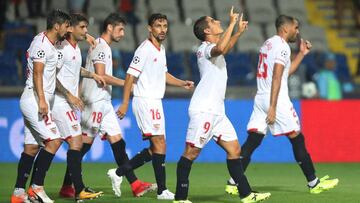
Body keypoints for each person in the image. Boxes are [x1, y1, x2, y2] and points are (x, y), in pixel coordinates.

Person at [225, 15, 339, 196]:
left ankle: (233, 182)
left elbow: (283, 73)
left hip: (261, 96)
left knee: (254, 139)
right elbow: (277, 77)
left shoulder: (268, 44)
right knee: (296, 137)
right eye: (296, 27)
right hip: (275, 100)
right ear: (286, 28)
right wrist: (273, 106)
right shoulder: (283, 47)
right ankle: (313, 183)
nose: (298, 31)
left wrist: (301, 54)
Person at [173, 8, 271, 203]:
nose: (218, 21)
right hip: (204, 110)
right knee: (191, 153)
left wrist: (237, 33)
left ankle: (246, 194)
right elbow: (221, 49)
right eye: (213, 21)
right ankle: (180, 198)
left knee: (234, 150)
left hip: (217, 112)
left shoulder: (214, 48)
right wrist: (232, 23)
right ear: (207, 31)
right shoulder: (204, 48)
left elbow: (224, 47)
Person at [108, 13, 194, 200]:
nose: (162, 29)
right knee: (160, 144)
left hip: (155, 101)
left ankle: (119, 173)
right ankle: (162, 190)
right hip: (145, 100)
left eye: (164, 25)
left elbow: (164, 74)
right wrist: (124, 103)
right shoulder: (144, 49)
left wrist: (182, 83)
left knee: (158, 147)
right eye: (158, 26)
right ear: (149, 28)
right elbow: (130, 76)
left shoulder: (160, 49)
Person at [80, 12, 156, 198]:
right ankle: (68, 185)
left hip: (104, 102)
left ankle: (136, 184)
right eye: (120, 29)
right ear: (109, 28)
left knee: (119, 143)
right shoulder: (100, 47)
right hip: (94, 101)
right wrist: (127, 83)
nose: (123, 33)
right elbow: (101, 77)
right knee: (82, 146)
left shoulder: (102, 46)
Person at [11, 9, 70, 203]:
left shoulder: (47, 41)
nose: (68, 29)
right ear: (57, 26)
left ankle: (19, 193)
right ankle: (36, 187)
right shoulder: (42, 45)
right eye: (66, 26)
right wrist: (42, 100)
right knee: (54, 141)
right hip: (34, 99)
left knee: (31, 148)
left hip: (36, 99)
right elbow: (37, 73)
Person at [52, 13, 106, 201]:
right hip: (59, 101)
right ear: (70, 28)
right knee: (76, 142)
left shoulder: (75, 49)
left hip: (67, 102)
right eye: (82, 27)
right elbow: (52, 75)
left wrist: (93, 75)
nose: (86, 31)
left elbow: (75, 70)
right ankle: (78, 189)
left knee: (47, 146)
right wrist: (69, 95)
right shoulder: (62, 49)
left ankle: (36, 187)